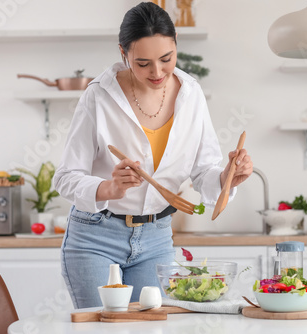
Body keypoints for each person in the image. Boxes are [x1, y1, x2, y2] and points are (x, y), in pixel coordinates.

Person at [53, 1, 253, 307]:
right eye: (142, 63)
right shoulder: (99, 96)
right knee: (102, 327)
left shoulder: (191, 94)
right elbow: (65, 177)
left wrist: (229, 176)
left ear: (175, 46)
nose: (157, 72)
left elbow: (204, 173)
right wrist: (110, 187)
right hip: (95, 237)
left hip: (156, 237)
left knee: (152, 326)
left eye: (166, 58)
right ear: (123, 53)